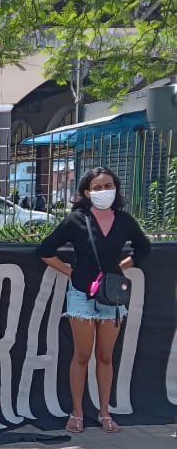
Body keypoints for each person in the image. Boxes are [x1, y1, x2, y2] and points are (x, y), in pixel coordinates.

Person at [37, 166, 150, 434]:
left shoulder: (124, 221)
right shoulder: (76, 220)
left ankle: (104, 412)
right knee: (82, 355)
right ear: (87, 192)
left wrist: (121, 267)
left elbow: (143, 247)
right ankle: (76, 412)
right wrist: (70, 272)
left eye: (108, 186)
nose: (103, 191)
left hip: (112, 296)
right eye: (97, 187)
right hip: (81, 295)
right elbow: (45, 250)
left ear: (116, 189)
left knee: (105, 356)